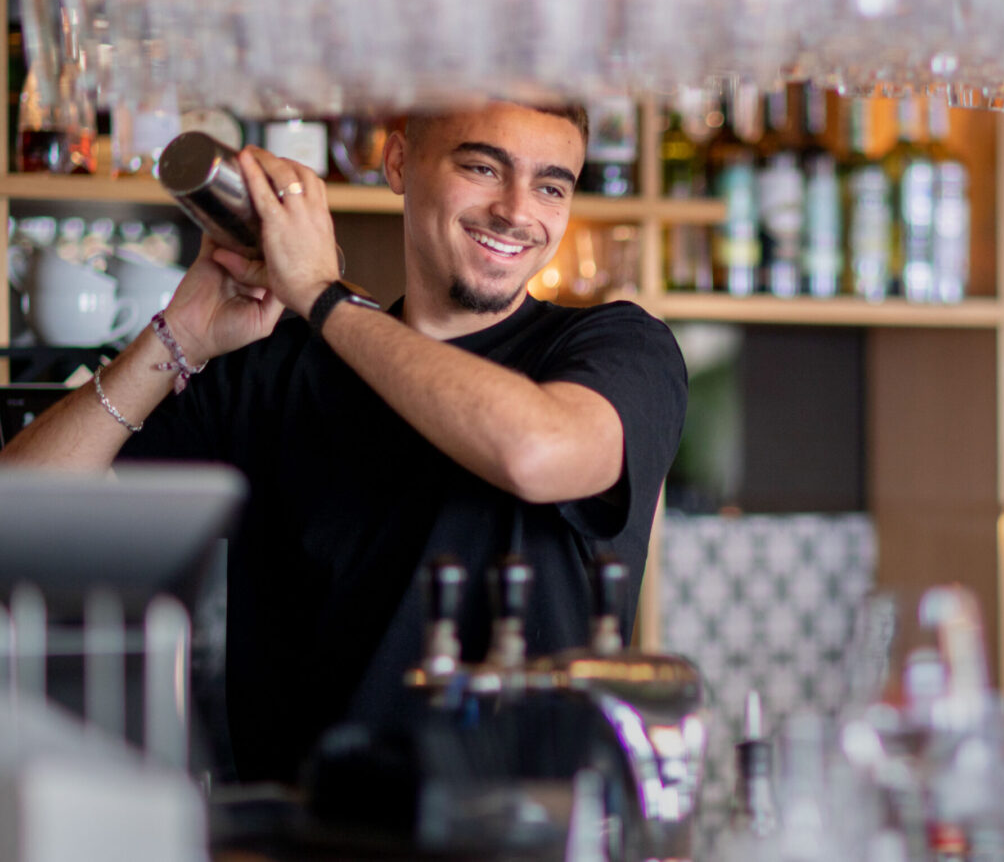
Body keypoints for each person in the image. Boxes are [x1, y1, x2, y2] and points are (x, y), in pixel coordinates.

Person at [0, 100, 689, 783]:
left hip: (535, 828)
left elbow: (537, 454)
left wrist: (321, 296)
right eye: (482, 168)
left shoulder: (615, 349)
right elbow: (19, 521)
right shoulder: (278, 373)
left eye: (550, 186)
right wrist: (178, 335)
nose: (516, 211)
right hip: (303, 831)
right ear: (399, 163)